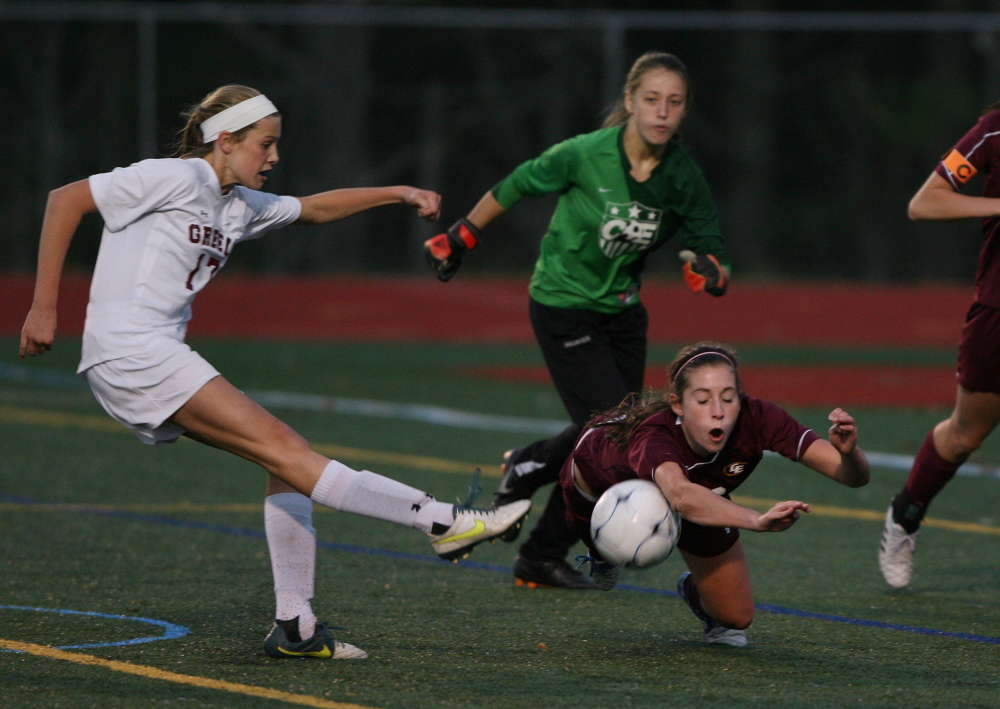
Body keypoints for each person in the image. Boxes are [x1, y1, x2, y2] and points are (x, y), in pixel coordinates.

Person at [19, 85, 531, 660]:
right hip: (131, 350)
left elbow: (313, 208)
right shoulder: (174, 177)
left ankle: (295, 625)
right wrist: (44, 306)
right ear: (226, 139)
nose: (274, 157)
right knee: (289, 449)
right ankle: (440, 521)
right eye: (265, 144)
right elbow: (65, 200)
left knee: (284, 462)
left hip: (146, 355)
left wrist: (398, 193)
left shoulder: (237, 204)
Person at [422, 52, 731, 590]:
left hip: (623, 317)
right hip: (562, 304)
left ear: (684, 111)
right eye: (652, 99)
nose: (662, 112)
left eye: (674, 102)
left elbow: (713, 257)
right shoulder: (586, 154)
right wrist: (463, 234)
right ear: (630, 102)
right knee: (614, 433)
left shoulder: (682, 178)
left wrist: (709, 272)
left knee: (612, 437)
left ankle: (539, 547)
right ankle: (534, 467)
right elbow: (518, 183)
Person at [559, 343, 869, 646]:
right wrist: (757, 520)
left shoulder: (758, 418)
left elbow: (852, 477)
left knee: (736, 618)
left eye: (729, 398)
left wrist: (850, 454)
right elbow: (680, 494)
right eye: (703, 400)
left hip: (696, 495)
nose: (718, 412)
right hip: (599, 485)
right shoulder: (655, 434)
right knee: (621, 528)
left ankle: (695, 591)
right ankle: (600, 550)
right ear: (678, 404)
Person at [878, 102, 1000, 588]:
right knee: (965, 436)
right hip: (998, 314)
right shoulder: (993, 131)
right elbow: (925, 201)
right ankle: (904, 517)